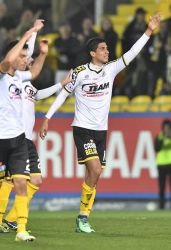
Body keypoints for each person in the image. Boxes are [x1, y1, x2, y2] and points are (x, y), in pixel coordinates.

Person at [39, 12, 162, 233]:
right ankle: (83, 217)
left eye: (107, 49)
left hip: (101, 131)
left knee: (94, 174)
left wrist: (148, 31)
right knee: (95, 170)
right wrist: (47, 117)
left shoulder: (111, 69)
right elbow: (63, 95)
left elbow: (132, 53)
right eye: (103, 49)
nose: (107, 52)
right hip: (83, 128)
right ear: (93, 53)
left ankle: (82, 218)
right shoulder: (79, 73)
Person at [0, 22, 48, 241]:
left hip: (18, 138)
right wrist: (30, 34)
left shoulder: (20, 77)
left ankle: (21, 229)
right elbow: (9, 60)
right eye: (23, 56)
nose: (25, 60)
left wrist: (42, 54)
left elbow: (36, 71)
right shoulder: (1, 73)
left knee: (20, 182)